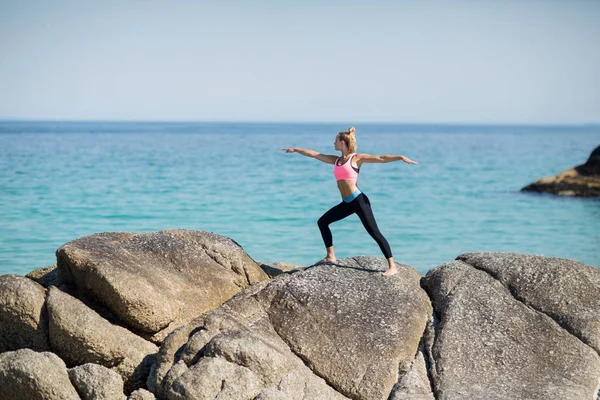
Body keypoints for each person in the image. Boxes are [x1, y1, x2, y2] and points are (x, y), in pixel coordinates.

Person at [282, 126, 417, 276]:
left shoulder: (356, 158)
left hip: (359, 201)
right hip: (346, 203)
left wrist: (400, 157)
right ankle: (330, 256)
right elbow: (314, 154)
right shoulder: (336, 160)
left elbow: (380, 158)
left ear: (342, 143)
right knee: (322, 222)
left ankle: (392, 266)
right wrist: (296, 149)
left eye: (335, 141)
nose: (333, 144)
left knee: (374, 232)